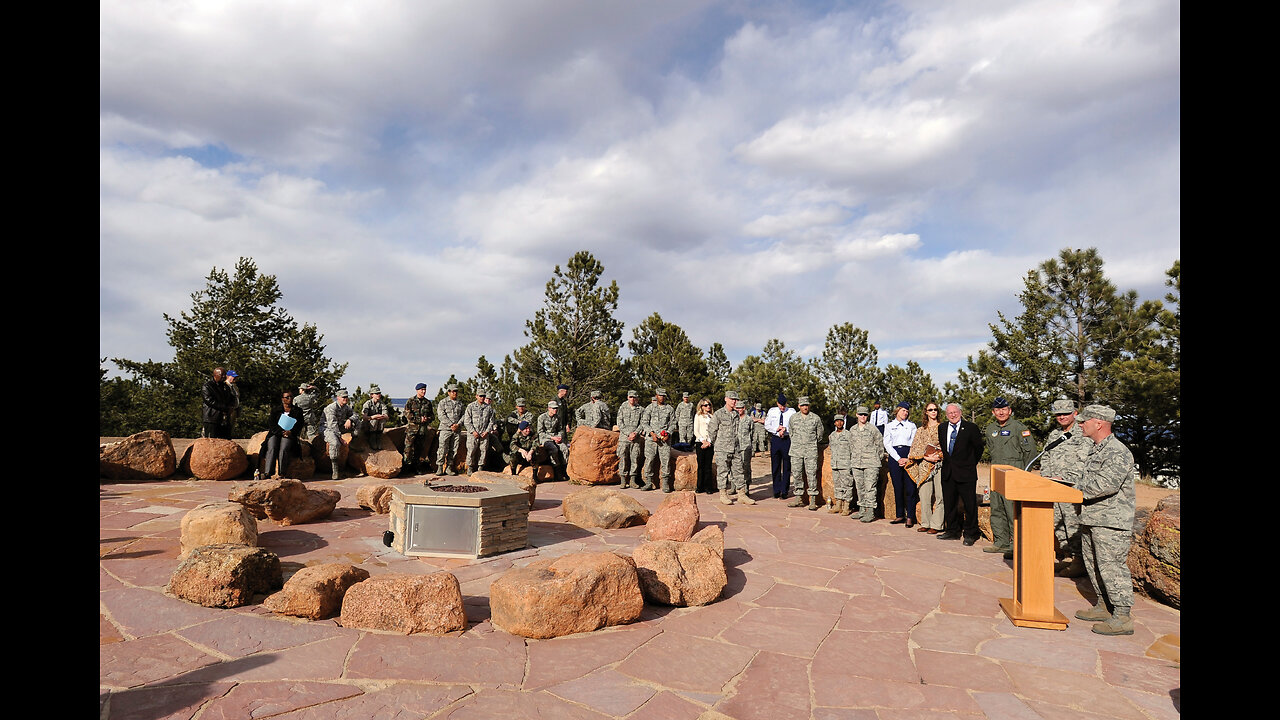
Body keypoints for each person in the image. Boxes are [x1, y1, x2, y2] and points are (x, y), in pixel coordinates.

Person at [1071, 404, 1137, 636]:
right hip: (1092, 518)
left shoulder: (1117, 451)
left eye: (1084, 421)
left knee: (1112, 568)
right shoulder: (1097, 448)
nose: (1080, 425)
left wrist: (1073, 491)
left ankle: (1122, 616)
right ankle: (1103, 605)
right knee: (1094, 565)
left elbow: (1105, 485)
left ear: (1098, 423)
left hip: (1111, 521)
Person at [1041, 399, 1091, 577]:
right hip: (1054, 487)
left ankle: (1079, 561)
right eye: (1058, 414)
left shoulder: (1083, 433)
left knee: (1072, 522)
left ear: (1075, 414)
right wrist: (1047, 477)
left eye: (1065, 413)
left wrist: (1065, 478)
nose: (1061, 417)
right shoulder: (1055, 435)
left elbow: (1083, 460)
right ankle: (1068, 556)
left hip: (1072, 488)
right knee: (1058, 523)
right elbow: (1045, 456)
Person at [983, 397, 1037, 557]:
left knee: (1012, 509)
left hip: (1014, 471)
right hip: (996, 471)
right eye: (997, 410)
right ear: (993, 412)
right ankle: (1001, 542)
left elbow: (1031, 453)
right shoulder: (990, 429)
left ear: (1010, 411)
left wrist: (1022, 473)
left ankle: (1016, 544)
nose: (1001, 412)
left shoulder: (1019, 428)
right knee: (997, 507)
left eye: (1004, 409)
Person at [938, 402, 985, 545]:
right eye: (949, 413)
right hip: (948, 472)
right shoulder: (942, 428)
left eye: (955, 412)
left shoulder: (971, 428)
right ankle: (952, 531)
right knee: (950, 503)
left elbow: (979, 449)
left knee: (969, 505)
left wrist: (969, 464)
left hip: (966, 473)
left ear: (960, 412)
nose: (953, 415)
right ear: (946, 415)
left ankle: (971, 533)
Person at [906, 402, 945, 534]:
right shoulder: (920, 430)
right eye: (930, 410)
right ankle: (925, 522)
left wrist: (938, 456)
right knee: (924, 495)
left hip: (940, 464)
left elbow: (948, 447)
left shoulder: (943, 428)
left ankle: (937, 524)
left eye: (935, 409)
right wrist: (926, 457)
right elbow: (914, 449)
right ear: (926, 412)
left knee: (940, 495)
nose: (933, 412)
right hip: (924, 465)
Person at [883, 401, 918, 527]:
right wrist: (898, 458)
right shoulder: (889, 425)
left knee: (910, 487)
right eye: (903, 410)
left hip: (909, 454)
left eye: (907, 411)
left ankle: (910, 516)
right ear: (897, 411)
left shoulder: (912, 426)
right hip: (895, 455)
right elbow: (887, 443)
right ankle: (899, 515)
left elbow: (914, 443)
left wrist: (908, 458)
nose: (905, 413)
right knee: (897, 486)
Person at [786, 396, 824, 510]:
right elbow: (791, 433)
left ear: (809, 406)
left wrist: (810, 443)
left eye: (806, 405)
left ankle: (812, 499)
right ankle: (799, 498)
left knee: (811, 475)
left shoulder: (815, 418)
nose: (805, 407)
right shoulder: (793, 418)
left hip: (810, 451)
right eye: (802, 405)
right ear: (799, 406)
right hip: (796, 451)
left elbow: (820, 435)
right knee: (796, 474)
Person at [258, 388, 304, 480]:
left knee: (284, 448)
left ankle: (282, 473)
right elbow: (272, 424)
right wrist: (281, 432)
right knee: (271, 447)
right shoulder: (276, 410)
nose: (289, 399)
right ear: (282, 399)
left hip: (289, 433)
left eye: (291, 397)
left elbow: (300, 424)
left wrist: (291, 432)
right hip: (276, 433)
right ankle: (268, 472)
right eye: (287, 397)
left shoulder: (297, 410)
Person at [706, 391, 742, 505]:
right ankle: (723, 494)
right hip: (722, 448)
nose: (734, 401)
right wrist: (717, 444)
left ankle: (741, 494)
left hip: (735, 447)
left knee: (739, 471)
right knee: (723, 472)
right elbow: (712, 430)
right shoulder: (719, 414)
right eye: (732, 399)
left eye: (736, 399)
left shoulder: (736, 414)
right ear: (726, 399)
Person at [849, 406, 884, 522]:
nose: (863, 416)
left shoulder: (872, 429)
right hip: (856, 462)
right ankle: (862, 509)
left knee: (870, 487)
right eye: (861, 414)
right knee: (860, 487)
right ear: (857, 415)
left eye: (865, 414)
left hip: (871, 463)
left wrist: (876, 459)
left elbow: (880, 445)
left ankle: (870, 511)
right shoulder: (853, 430)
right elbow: (850, 446)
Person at [641, 388, 677, 492]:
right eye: (660, 395)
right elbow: (644, 422)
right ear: (656, 396)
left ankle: (665, 482)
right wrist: (652, 433)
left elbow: (673, 423)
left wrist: (668, 434)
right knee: (649, 459)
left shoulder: (669, 409)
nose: (662, 397)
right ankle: (648, 482)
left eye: (663, 396)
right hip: (651, 439)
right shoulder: (650, 408)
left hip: (664, 440)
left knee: (665, 461)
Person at [765, 394, 796, 499]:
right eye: (780, 405)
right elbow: (767, 425)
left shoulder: (792, 412)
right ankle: (776, 490)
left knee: (787, 466)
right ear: (777, 403)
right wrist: (776, 430)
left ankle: (784, 490)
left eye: (784, 405)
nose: (782, 408)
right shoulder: (772, 411)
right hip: (776, 439)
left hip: (787, 440)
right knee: (776, 466)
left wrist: (785, 429)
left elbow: (795, 425)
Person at [614, 390, 645, 488]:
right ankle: (623, 480)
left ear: (637, 398)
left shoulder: (641, 409)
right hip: (624, 438)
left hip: (636, 438)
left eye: (634, 397)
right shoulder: (623, 407)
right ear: (627, 397)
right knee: (623, 458)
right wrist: (628, 433)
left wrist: (635, 433)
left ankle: (632, 480)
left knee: (634, 458)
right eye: (631, 397)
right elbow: (620, 422)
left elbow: (643, 423)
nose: (632, 399)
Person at [401, 383, 434, 475]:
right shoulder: (411, 401)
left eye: (424, 390)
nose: (423, 391)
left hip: (422, 430)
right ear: (417, 390)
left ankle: (417, 467)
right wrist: (420, 419)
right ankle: (406, 468)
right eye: (421, 390)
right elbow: (408, 415)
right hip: (412, 430)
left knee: (419, 450)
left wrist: (427, 419)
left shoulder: (427, 403)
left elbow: (432, 416)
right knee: (408, 449)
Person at [323, 389, 356, 480]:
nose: (345, 399)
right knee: (335, 443)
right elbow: (332, 425)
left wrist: (350, 419)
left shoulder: (346, 407)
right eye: (343, 397)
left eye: (346, 397)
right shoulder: (331, 408)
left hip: (339, 426)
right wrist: (340, 439)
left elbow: (355, 415)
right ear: (338, 398)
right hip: (327, 428)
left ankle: (354, 444)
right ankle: (335, 469)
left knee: (356, 423)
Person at [461, 389, 496, 475]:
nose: (482, 398)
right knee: (471, 450)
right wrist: (473, 431)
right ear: (476, 396)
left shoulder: (488, 408)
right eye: (480, 396)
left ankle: (480, 467)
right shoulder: (470, 406)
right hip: (473, 434)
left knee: (483, 451)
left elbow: (491, 421)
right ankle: (470, 467)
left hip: (484, 434)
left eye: (484, 396)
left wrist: (487, 431)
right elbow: (467, 421)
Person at [435, 384, 465, 476]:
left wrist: (458, 424)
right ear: (448, 392)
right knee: (442, 448)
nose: (454, 393)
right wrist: (451, 424)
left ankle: (449, 467)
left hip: (456, 430)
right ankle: (440, 467)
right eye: (452, 391)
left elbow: (464, 415)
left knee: (453, 449)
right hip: (445, 429)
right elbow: (441, 415)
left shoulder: (460, 404)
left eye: (456, 391)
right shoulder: (443, 402)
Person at [537, 400, 570, 481]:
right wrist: (552, 438)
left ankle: (565, 470)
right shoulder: (542, 417)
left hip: (556, 438)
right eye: (553, 408)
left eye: (556, 408)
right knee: (554, 449)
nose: (555, 410)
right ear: (549, 408)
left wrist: (559, 437)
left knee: (564, 449)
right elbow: (540, 432)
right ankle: (557, 471)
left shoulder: (558, 418)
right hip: (546, 438)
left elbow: (560, 429)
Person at [827, 414, 853, 515]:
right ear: (834, 423)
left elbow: (852, 449)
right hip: (835, 464)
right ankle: (838, 505)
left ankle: (846, 506)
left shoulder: (848, 435)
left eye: (841, 421)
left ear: (844, 422)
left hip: (845, 464)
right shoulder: (832, 436)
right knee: (837, 485)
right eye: (837, 421)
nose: (839, 423)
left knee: (847, 485)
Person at [201, 367, 235, 439]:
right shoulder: (207, 386)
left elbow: (232, 398)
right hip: (212, 419)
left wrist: (231, 406)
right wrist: (225, 408)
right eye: (221, 375)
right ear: (215, 375)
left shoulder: (226, 387)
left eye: (224, 375)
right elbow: (209, 401)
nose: (223, 377)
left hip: (225, 420)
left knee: (226, 441)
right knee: (211, 442)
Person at [692, 397, 715, 494]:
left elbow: (714, 429)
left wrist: (709, 441)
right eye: (705, 405)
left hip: (710, 442)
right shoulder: (698, 416)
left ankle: (708, 487)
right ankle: (699, 486)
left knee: (708, 466)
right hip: (700, 442)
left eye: (709, 404)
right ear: (701, 406)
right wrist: (703, 441)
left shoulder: (713, 416)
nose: (708, 406)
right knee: (701, 465)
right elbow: (696, 431)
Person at [359, 384, 390, 450]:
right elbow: (364, 417)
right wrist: (373, 417)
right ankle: (372, 439)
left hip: (377, 426)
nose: (378, 395)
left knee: (382, 420)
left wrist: (382, 416)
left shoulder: (381, 403)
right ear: (372, 395)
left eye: (379, 393)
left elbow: (386, 416)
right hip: (367, 425)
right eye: (376, 393)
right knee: (374, 420)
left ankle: (378, 439)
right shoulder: (368, 403)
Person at [225, 370, 241, 437]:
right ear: (228, 376)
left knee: (232, 427)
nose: (234, 379)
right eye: (233, 377)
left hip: (234, 410)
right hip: (227, 410)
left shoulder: (235, 387)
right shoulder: (225, 385)